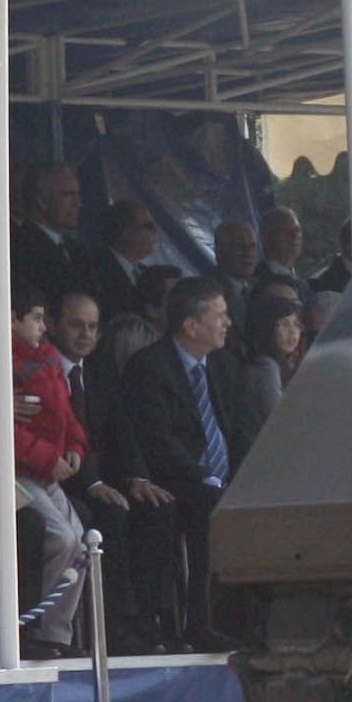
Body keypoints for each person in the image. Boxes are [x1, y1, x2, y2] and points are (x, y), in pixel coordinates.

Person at [119, 276, 248, 651]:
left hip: (222, 481)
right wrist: (205, 478)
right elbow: (158, 441)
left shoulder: (223, 364)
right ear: (191, 326)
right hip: (177, 480)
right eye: (220, 315)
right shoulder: (150, 367)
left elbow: (238, 429)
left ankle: (246, 622)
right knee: (206, 507)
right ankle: (198, 623)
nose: (228, 323)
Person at [53, 288, 174, 652]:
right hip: (63, 480)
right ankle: (114, 624)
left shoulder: (99, 369)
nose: (86, 334)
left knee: (157, 506)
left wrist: (137, 477)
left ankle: (152, 618)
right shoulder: (42, 368)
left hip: (104, 477)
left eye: (93, 327)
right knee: (110, 513)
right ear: (55, 327)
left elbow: (122, 430)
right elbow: (61, 436)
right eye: (76, 325)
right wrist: (94, 483)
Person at [2, 287, 89, 655]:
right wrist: (46, 458)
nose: (42, 327)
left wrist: (74, 448)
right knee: (61, 539)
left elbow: (66, 415)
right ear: (11, 319)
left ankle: (58, 633)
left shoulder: (49, 359)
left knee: (83, 542)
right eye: (35, 319)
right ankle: (39, 630)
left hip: (49, 473)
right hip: (19, 473)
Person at [230, 286, 306, 444]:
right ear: (268, 328)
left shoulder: (286, 364)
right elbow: (281, 421)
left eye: (296, 324)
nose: (293, 332)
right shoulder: (265, 367)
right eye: (284, 324)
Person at [13, 161, 90, 311]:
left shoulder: (78, 251)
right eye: (68, 194)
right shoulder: (19, 247)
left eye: (78, 195)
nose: (78, 203)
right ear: (41, 200)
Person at [88, 198, 173, 320]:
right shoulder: (95, 271)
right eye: (149, 226)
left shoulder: (148, 274)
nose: (156, 231)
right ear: (126, 233)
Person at [249, 207, 310, 304]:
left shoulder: (302, 283)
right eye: (284, 231)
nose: (294, 236)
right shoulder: (256, 283)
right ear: (266, 238)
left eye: (297, 230)